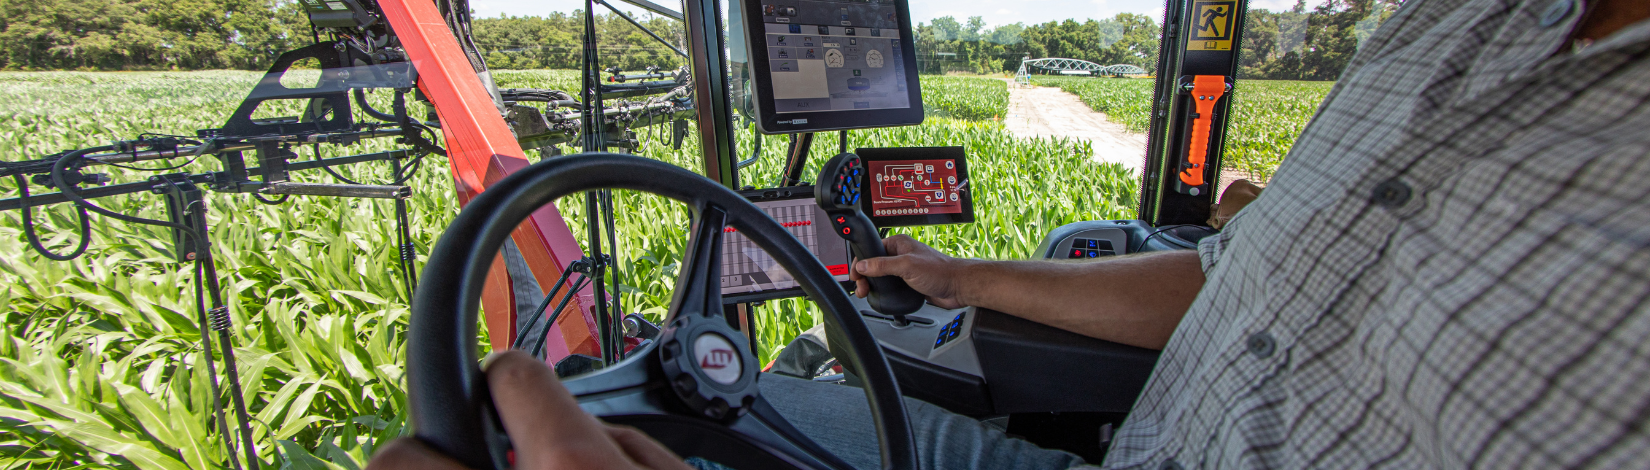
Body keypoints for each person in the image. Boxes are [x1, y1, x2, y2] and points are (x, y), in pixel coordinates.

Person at [371, 0, 1650, 468]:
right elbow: (1228, 271)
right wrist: (950, 272)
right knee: (729, 390)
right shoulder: (1449, 24)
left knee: (676, 403)